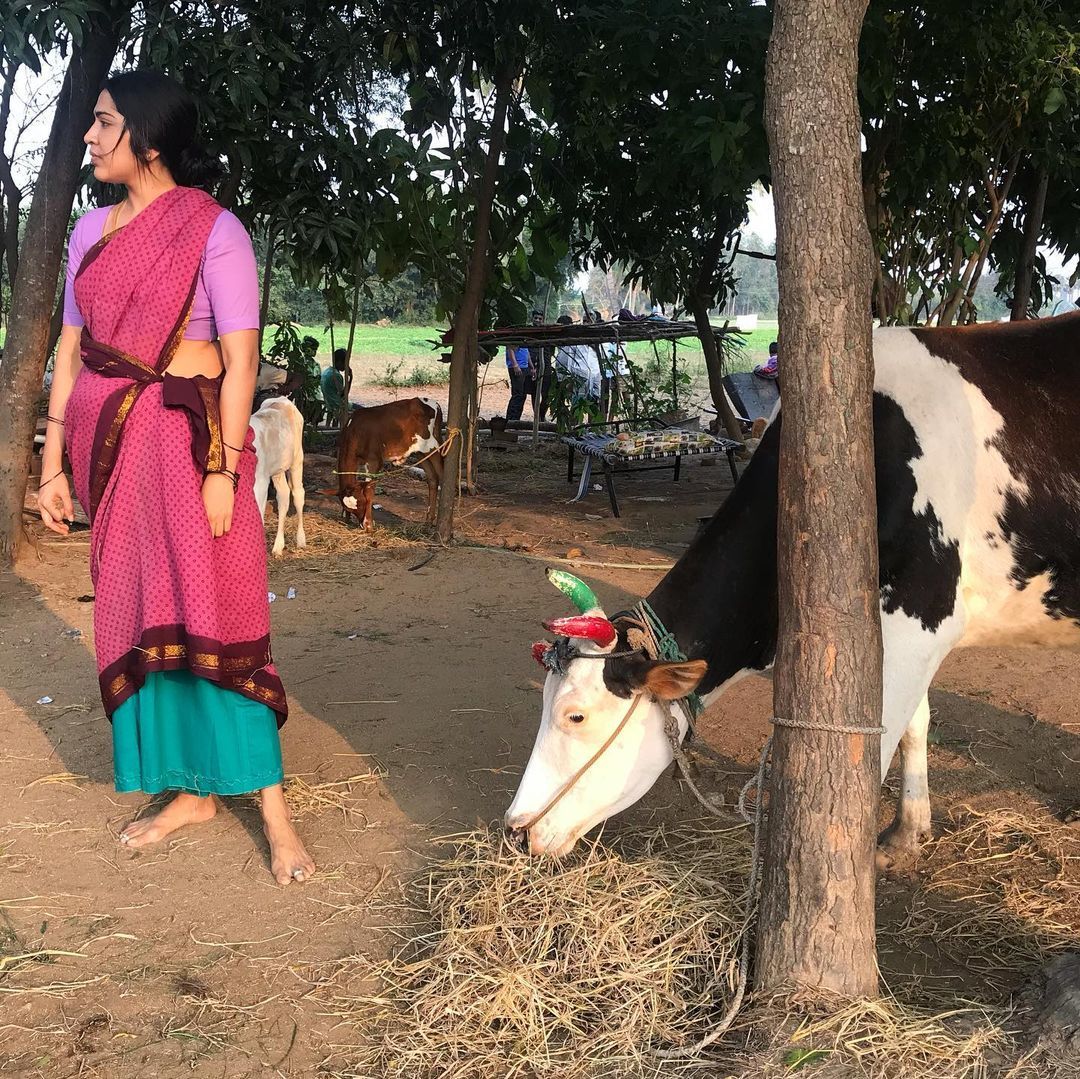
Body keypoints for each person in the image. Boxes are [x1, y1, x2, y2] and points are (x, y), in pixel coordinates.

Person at [37, 70, 315, 886]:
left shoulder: (214, 230)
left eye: (104, 123)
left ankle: (272, 811)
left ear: (149, 139)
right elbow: (69, 349)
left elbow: (240, 362)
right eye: (91, 123)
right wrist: (53, 460)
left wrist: (225, 469)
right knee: (139, 611)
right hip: (114, 451)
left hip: (191, 447)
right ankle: (192, 791)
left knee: (215, 610)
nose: (90, 137)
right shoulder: (89, 233)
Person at [553, 315, 601, 401]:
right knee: (577, 401)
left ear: (594, 322)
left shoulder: (599, 338)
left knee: (594, 402)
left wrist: (594, 346)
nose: (586, 323)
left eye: (589, 321)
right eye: (585, 320)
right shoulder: (576, 338)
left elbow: (601, 358)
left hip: (595, 374)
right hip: (579, 375)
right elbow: (568, 360)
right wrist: (567, 378)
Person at [321, 347, 354, 423]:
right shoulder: (336, 376)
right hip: (337, 405)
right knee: (363, 411)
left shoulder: (326, 372)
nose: (347, 365)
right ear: (339, 362)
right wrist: (350, 378)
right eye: (345, 362)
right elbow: (343, 396)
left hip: (329, 403)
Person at [504, 343, 532, 422]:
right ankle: (511, 418)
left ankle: (516, 418)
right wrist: (515, 365)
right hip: (517, 367)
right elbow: (510, 348)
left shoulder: (525, 340)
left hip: (524, 367)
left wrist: (531, 366)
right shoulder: (515, 338)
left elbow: (527, 352)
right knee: (517, 394)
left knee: (523, 394)